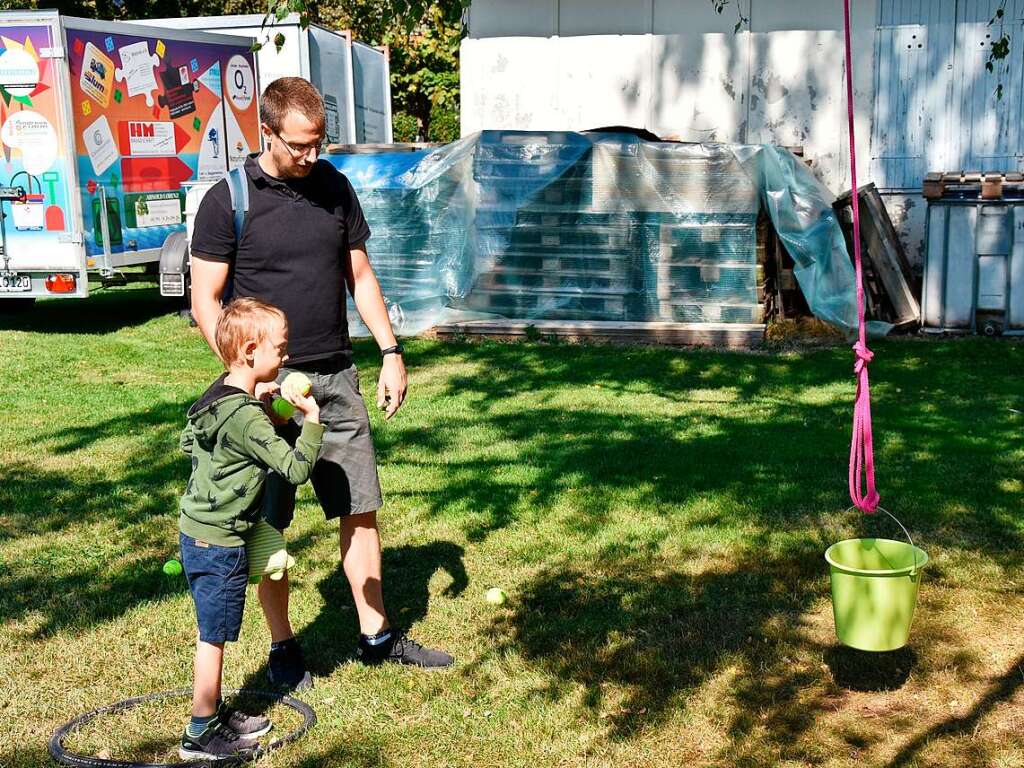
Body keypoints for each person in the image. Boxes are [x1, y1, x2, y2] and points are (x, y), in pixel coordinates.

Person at [189, 76, 452, 690]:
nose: (311, 156)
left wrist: (390, 351)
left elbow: (359, 275)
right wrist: (248, 382)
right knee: (269, 525)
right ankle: (284, 649)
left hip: (335, 374)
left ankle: (376, 634)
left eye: (319, 144)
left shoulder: (335, 187)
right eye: (300, 146)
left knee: (359, 506)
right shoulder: (228, 199)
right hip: (264, 393)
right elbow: (206, 301)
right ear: (268, 131)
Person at [177, 297, 324, 761]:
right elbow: (296, 470)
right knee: (213, 635)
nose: (286, 358)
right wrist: (309, 421)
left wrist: (267, 418)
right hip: (219, 542)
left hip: (199, 530)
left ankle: (214, 715)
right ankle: (200, 734)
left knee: (215, 627)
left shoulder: (219, 395)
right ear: (250, 350)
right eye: (279, 350)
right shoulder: (244, 416)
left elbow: (189, 440)